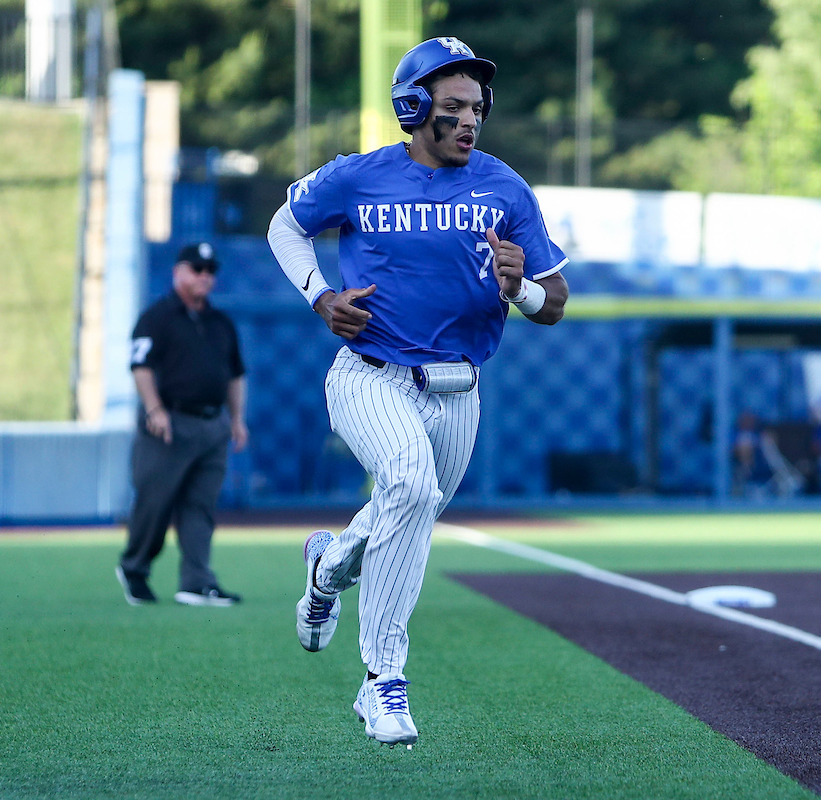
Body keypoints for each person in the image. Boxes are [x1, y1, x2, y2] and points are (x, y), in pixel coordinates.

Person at [266, 37, 568, 747]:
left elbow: (554, 301)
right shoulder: (359, 177)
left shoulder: (504, 186)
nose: (471, 120)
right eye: (454, 107)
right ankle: (382, 681)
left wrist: (518, 287)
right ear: (413, 107)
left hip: (461, 392)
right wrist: (318, 296)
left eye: (477, 108)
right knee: (407, 483)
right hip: (371, 374)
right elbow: (286, 224)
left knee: (404, 507)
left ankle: (326, 567)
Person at [116, 242, 249, 607]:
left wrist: (236, 419)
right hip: (170, 423)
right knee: (154, 502)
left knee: (200, 506)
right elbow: (140, 366)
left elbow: (235, 374)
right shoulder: (157, 317)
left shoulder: (220, 322)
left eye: (210, 271)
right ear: (178, 272)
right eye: (196, 269)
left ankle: (196, 579)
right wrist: (154, 409)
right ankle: (135, 568)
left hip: (211, 424)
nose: (204, 276)